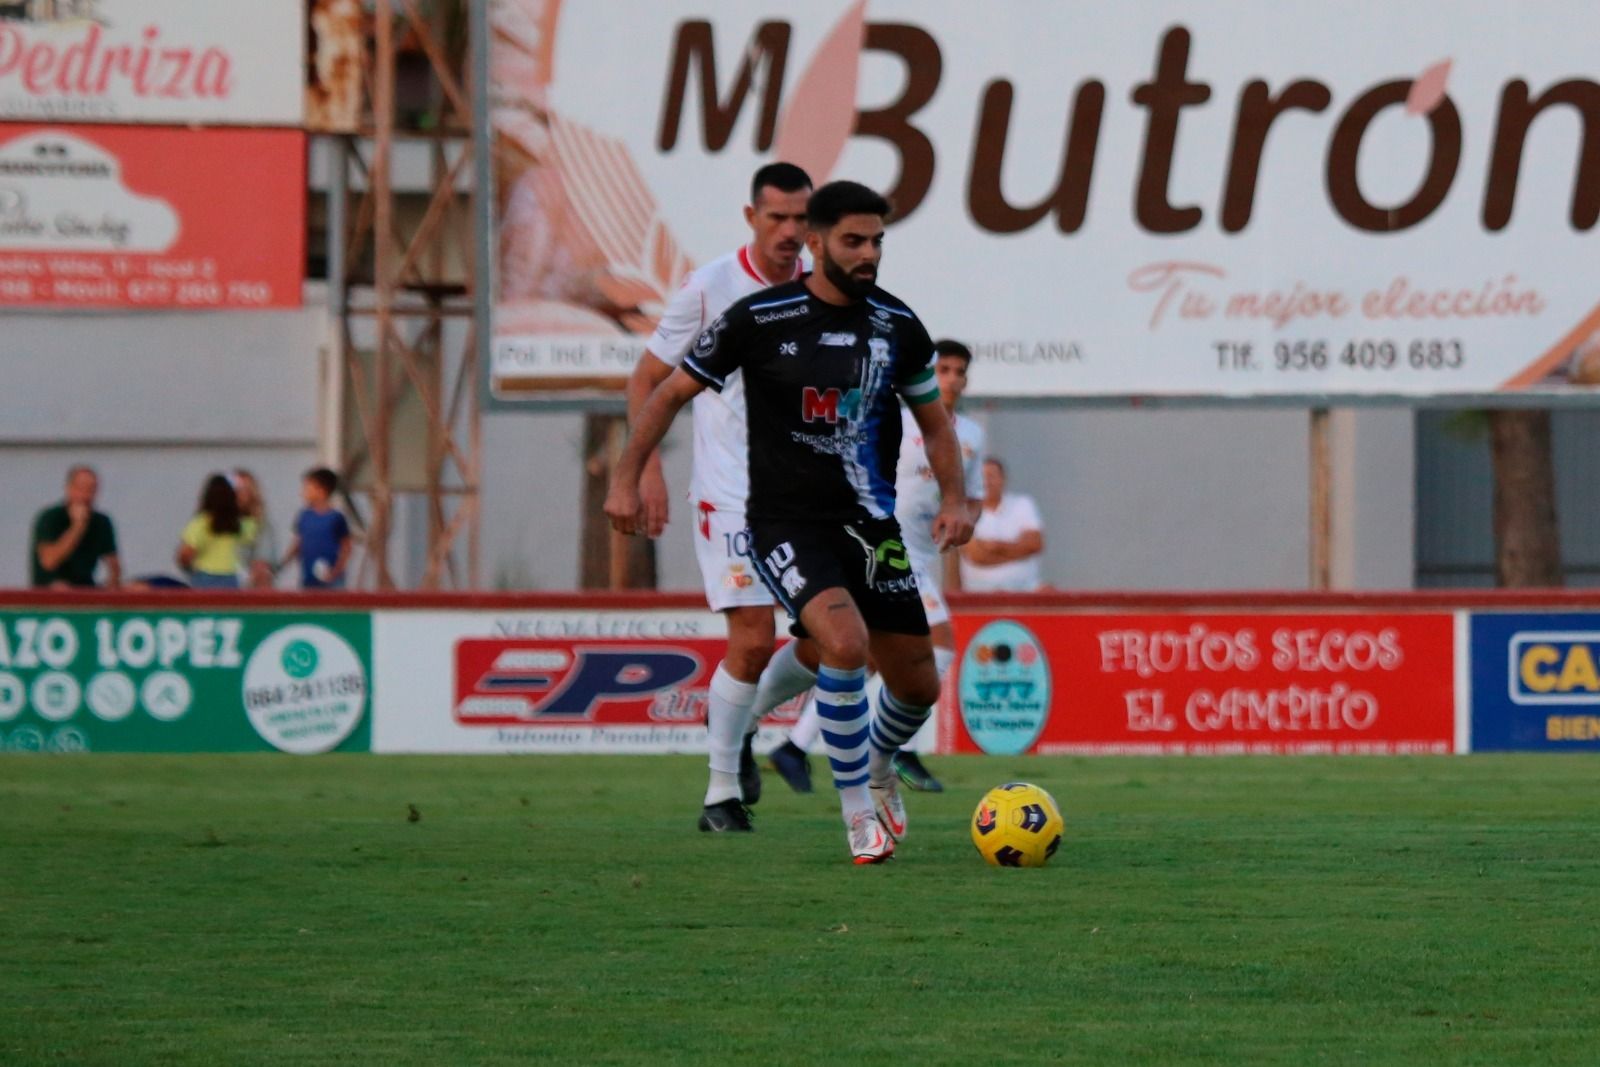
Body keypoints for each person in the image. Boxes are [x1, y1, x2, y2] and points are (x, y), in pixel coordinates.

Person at [608, 180, 974, 863]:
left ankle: (882, 758)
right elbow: (668, 392)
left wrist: (956, 499)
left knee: (919, 681)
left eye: (876, 242)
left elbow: (936, 423)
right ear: (816, 243)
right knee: (842, 640)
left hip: (871, 527)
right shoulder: (760, 318)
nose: (868, 254)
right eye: (853, 241)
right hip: (786, 523)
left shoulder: (898, 325)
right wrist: (628, 474)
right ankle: (857, 811)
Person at [624, 162, 811, 825]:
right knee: (754, 639)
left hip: (808, 496)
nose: (790, 231)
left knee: (830, 639)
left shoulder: (825, 289)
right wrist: (645, 468)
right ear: (751, 217)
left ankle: (742, 715)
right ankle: (720, 792)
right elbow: (648, 376)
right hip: (729, 493)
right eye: (777, 218)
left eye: (800, 219)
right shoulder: (710, 288)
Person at [768, 339, 986, 794]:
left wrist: (962, 519)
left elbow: (974, 496)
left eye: (959, 371)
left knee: (869, 656)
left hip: (924, 554)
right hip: (888, 549)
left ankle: (795, 745)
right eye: (943, 369)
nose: (952, 379)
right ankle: (892, 746)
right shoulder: (897, 422)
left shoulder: (970, 435)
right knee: (939, 645)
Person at [960, 457, 1045, 592]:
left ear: (1003, 479)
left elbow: (1034, 544)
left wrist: (995, 547)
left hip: (1025, 590)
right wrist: (1018, 550)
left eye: (991, 476)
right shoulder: (965, 511)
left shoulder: (1023, 504)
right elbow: (976, 556)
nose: (986, 482)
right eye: (981, 477)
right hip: (979, 593)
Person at [30, 465, 121, 589]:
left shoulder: (101, 521)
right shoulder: (50, 518)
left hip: (86, 589)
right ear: (69, 488)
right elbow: (49, 561)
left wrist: (113, 585)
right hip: (50, 591)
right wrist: (77, 527)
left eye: (91, 489)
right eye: (81, 489)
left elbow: (113, 564)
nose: (86, 495)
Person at [176, 474, 256, 589]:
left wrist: (188, 567)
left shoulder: (200, 523)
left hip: (204, 576)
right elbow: (251, 529)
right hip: (230, 576)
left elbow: (185, 554)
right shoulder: (239, 524)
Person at [281, 467, 353, 589]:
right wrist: (282, 565)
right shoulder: (304, 516)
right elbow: (298, 544)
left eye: (307, 488)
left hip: (332, 581)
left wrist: (335, 572)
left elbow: (346, 548)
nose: (303, 492)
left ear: (321, 491)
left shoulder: (336, 518)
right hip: (308, 579)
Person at [232, 468, 280, 589]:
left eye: (244, 489)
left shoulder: (261, 525)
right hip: (215, 584)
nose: (238, 494)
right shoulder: (210, 523)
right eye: (235, 489)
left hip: (246, 588)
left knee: (264, 576)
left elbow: (262, 565)